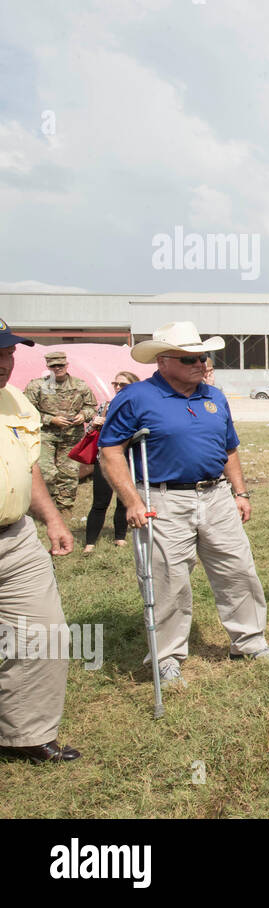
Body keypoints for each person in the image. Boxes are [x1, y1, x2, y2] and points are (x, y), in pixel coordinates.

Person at [98, 322, 269, 690]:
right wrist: (131, 500)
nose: (200, 363)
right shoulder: (135, 397)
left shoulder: (214, 396)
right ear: (163, 361)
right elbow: (110, 451)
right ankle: (166, 657)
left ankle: (248, 641)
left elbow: (229, 448)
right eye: (190, 358)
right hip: (162, 499)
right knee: (168, 579)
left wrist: (240, 492)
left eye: (203, 357)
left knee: (238, 569)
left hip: (216, 496)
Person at [0, 319, 79, 763]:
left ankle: (26, 734)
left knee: (42, 634)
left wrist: (52, 519)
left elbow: (27, 466)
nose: (3, 363)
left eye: (8, 352)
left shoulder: (14, 402)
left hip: (15, 540)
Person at [24, 351, 95, 514]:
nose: (57, 368)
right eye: (53, 366)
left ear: (66, 365)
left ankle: (64, 507)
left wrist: (83, 415)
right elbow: (27, 411)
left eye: (60, 365)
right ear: (48, 367)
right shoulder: (37, 386)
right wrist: (51, 419)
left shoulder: (80, 385)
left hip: (71, 435)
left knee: (69, 472)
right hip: (46, 434)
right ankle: (45, 506)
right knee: (45, 471)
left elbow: (91, 407)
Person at [83, 371, 139, 555]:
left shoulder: (137, 406)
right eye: (115, 383)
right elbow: (90, 433)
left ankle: (120, 537)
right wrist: (96, 424)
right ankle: (90, 542)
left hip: (129, 459)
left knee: (123, 500)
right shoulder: (106, 406)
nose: (117, 387)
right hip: (105, 460)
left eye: (122, 384)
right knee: (100, 501)